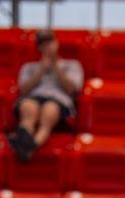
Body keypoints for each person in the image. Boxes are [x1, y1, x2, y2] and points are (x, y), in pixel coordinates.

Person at [11, 30, 83, 163]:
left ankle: (29, 145)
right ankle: (27, 142)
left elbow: (72, 89)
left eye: (50, 42)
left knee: (49, 110)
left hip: (58, 101)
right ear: (39, 48)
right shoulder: (29, 67)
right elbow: (24, 90)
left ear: (56, 43)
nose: (47, 46)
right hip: (34, 97)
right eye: (43, 44)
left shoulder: (72, 65)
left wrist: (55, 67)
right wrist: (41, 71)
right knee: (28, 107)